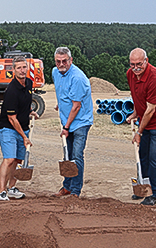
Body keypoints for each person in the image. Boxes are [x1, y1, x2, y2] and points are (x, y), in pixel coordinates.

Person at [125, 48, 156, 206]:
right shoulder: (130, 74)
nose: (135, 68)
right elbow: (138, 95)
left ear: (146, 61)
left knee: (154, 157)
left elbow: (151, 109)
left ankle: (153, 193)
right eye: (132, 64)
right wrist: (135, 112)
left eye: (139, 64)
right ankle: (143, 188)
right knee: (142, 156)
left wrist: (139, 132)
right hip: (145, 117)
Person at [51, 47, 94, 199]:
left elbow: (76, 106)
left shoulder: (78, 78)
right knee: (67, 156)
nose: (61, 64)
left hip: (80, 121)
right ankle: (67, 186)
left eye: (64, 61)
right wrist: (60, 104)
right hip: (67, 120)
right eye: (58, 61)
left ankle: (75, 190)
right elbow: (61, 91)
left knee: (76, 156)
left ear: (71, 60)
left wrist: (66, 127)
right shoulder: (55, 72)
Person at [0, 56, 40, 201]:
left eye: (24, 67)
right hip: (7, 128)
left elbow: (25, 102)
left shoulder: (29, 83)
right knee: (9, 159)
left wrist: (29, 111)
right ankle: (2, 191)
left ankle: (12, 188)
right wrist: (24, 137)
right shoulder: (11, 91)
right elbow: (11, 118)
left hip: (23, 128)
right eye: (19, 68)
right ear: (13, 70)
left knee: (18, 161)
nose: (22, 70)